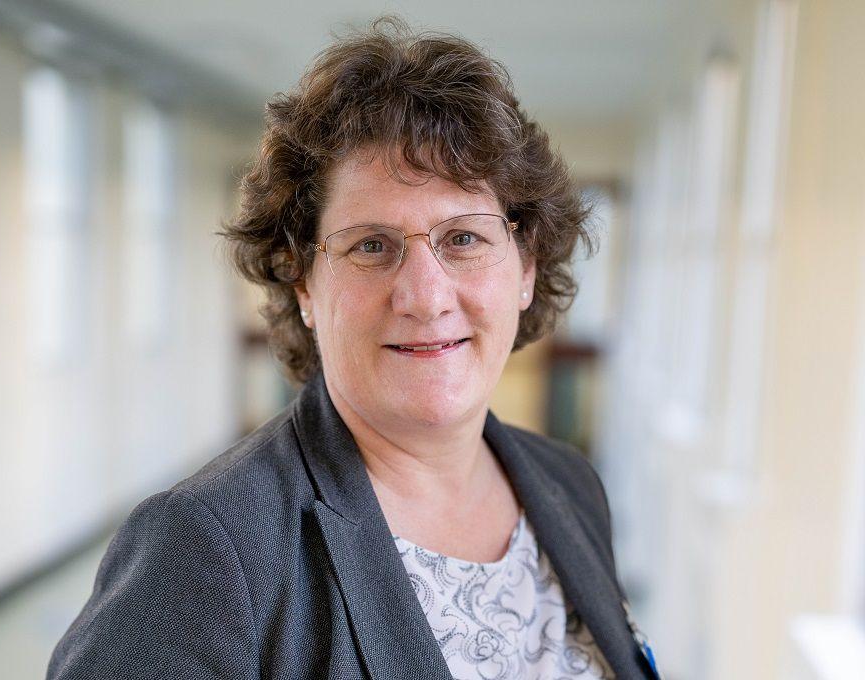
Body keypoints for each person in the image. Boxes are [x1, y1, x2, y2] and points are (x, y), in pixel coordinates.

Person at [47, 17, 659, 680]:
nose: (425, 297)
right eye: (371, 245)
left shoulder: (568, 485)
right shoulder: (205, 549)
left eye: (463, 239)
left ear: (527, 268)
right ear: (302, 280)